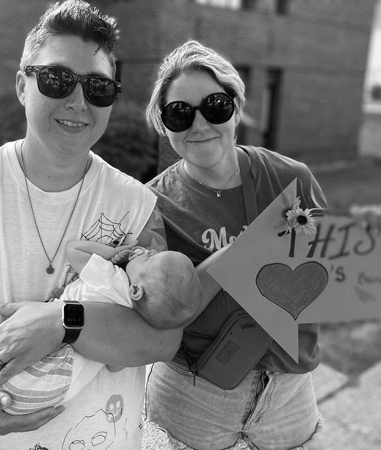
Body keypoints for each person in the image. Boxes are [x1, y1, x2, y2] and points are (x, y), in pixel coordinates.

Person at [0, 2, 183, 449]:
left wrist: (64, 321)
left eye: (99, 87)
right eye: (57, 79)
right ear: (22, 85)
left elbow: (162, 341)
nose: (78, 101)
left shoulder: (136, 206)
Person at [144, 40, 328, 450]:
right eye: (179, 113)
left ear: (237, 107)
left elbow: (334, 277)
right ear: (163, 123)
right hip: (193, 394)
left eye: (215, 106)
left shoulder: (290, 178)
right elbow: (163, 313)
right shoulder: (152, 203)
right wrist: (242, 254)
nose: (199, 124)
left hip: (290, 390)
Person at [0, 241, 202, 416]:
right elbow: (115, 367)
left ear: (137, 291)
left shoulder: (112, 279)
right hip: (50, 389)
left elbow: (73, 250)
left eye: (150, 258)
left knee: (9, 321)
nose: (148, 250)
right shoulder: (130, 322)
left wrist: (113, 253)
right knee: (6, 349)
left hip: (36, 368)